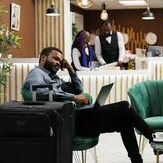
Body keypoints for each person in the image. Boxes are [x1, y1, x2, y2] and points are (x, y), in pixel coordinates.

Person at [23, 46, 155, 163]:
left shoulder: (54, 78)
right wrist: (73, 98)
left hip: (80, 117)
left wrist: (70, 69)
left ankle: (137, 160)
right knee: (124, 106)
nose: (58, 63)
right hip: (72, 122)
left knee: (124, 122)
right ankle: (153, 137)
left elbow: (78, 89)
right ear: (43, 58)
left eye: (60, 61)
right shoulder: (37, 73)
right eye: (55, 59)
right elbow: (39, 92)